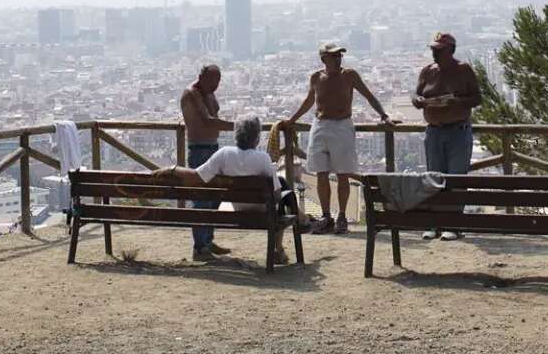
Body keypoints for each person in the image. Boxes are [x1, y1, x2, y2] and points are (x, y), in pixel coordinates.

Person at [285, 41, 392, 235]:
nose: (338, 58)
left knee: (343, 174)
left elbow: (369, 95)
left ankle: (341, 216)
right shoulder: (316, 77)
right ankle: (326, 216)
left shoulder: (349, 75)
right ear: (324, 58)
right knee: (321, 173)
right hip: (320, 125)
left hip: (342, 125)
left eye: (339, 55)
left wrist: (383, 115)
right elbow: (310, 101)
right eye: (334, 55)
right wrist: (292, 120)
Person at [163, 113, 289, 264]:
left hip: (238, 207)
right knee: (282, 196)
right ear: (256, 138)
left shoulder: (224, 154)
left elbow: (197, 175)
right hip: (262, 211)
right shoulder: (263, 158)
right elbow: (275, 194)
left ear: (236, 135)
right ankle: (278, 249)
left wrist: (173, 169)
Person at [413, 31, 480, 240]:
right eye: (433, 49)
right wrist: (421, 101)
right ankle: (434, 224)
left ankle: (453, 224)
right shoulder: (428, 71)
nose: (434, 53)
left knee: (455, 178)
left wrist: (456, 102)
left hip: (458, 131)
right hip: (434, 131)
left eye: (439, 50)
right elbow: (416, 95)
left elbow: (477, 97)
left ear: (451, 50)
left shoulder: (463, 70)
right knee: (434, 178)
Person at [181, 64, 234, 257]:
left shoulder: (209, 93)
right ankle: (199, 247)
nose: (216, 85)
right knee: (201, 198)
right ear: (201, 77)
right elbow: (207, 120)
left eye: (218, 81)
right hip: (199, 149)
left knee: (216, 196)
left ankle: (208, 240)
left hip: (212, 148)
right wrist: (237, 126)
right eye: (213, 80)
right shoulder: (192, 94)